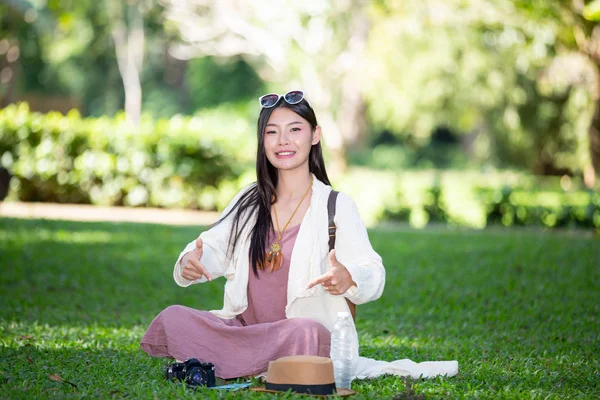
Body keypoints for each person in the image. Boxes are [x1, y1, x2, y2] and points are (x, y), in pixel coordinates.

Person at [140, 90, 385, 380]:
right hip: (245, 331)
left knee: (305, 331)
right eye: (272, 132)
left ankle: (233, 361)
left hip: (299, 336)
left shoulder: (336, 205)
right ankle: (250, 360)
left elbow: (373, 271)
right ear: (262, 140)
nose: (283, 141)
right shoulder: (249, 199)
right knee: (174, 317)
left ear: (315, 135)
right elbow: (213, 247)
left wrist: (350, 277)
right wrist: (191, 261)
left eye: (295, 129)